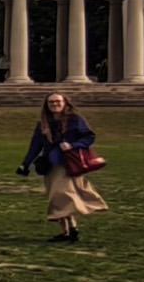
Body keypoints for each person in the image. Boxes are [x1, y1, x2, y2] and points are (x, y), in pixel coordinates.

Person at [18, 90, 105, 243]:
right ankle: (68, 231)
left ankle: (71, 230)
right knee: (58, 197)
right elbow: (35, 146)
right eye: (51, 102)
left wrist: (73, 145)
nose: (54, 104)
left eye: (58, 101)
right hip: (50, 165)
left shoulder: (75, 120)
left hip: (68, 164)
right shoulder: (43, 124)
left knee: (62, 196)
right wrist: (25, 164)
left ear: (65, 103)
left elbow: (89, 137)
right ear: (46, 105)